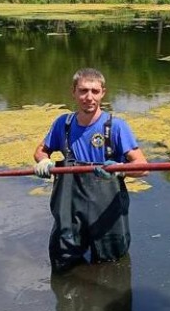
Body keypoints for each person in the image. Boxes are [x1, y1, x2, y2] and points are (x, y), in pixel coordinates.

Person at [33, 68, 148, 273]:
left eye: (95, 91)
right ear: (74, 92)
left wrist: (121, 169)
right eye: (83, 91)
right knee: (63, 259)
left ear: (103, 92)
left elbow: (143, 168)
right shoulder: (63, 124)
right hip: (70, 208)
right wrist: (44, 161)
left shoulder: (116, 127)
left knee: (111, 267)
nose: (89, 97)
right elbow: (41, 150)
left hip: (106, 210)